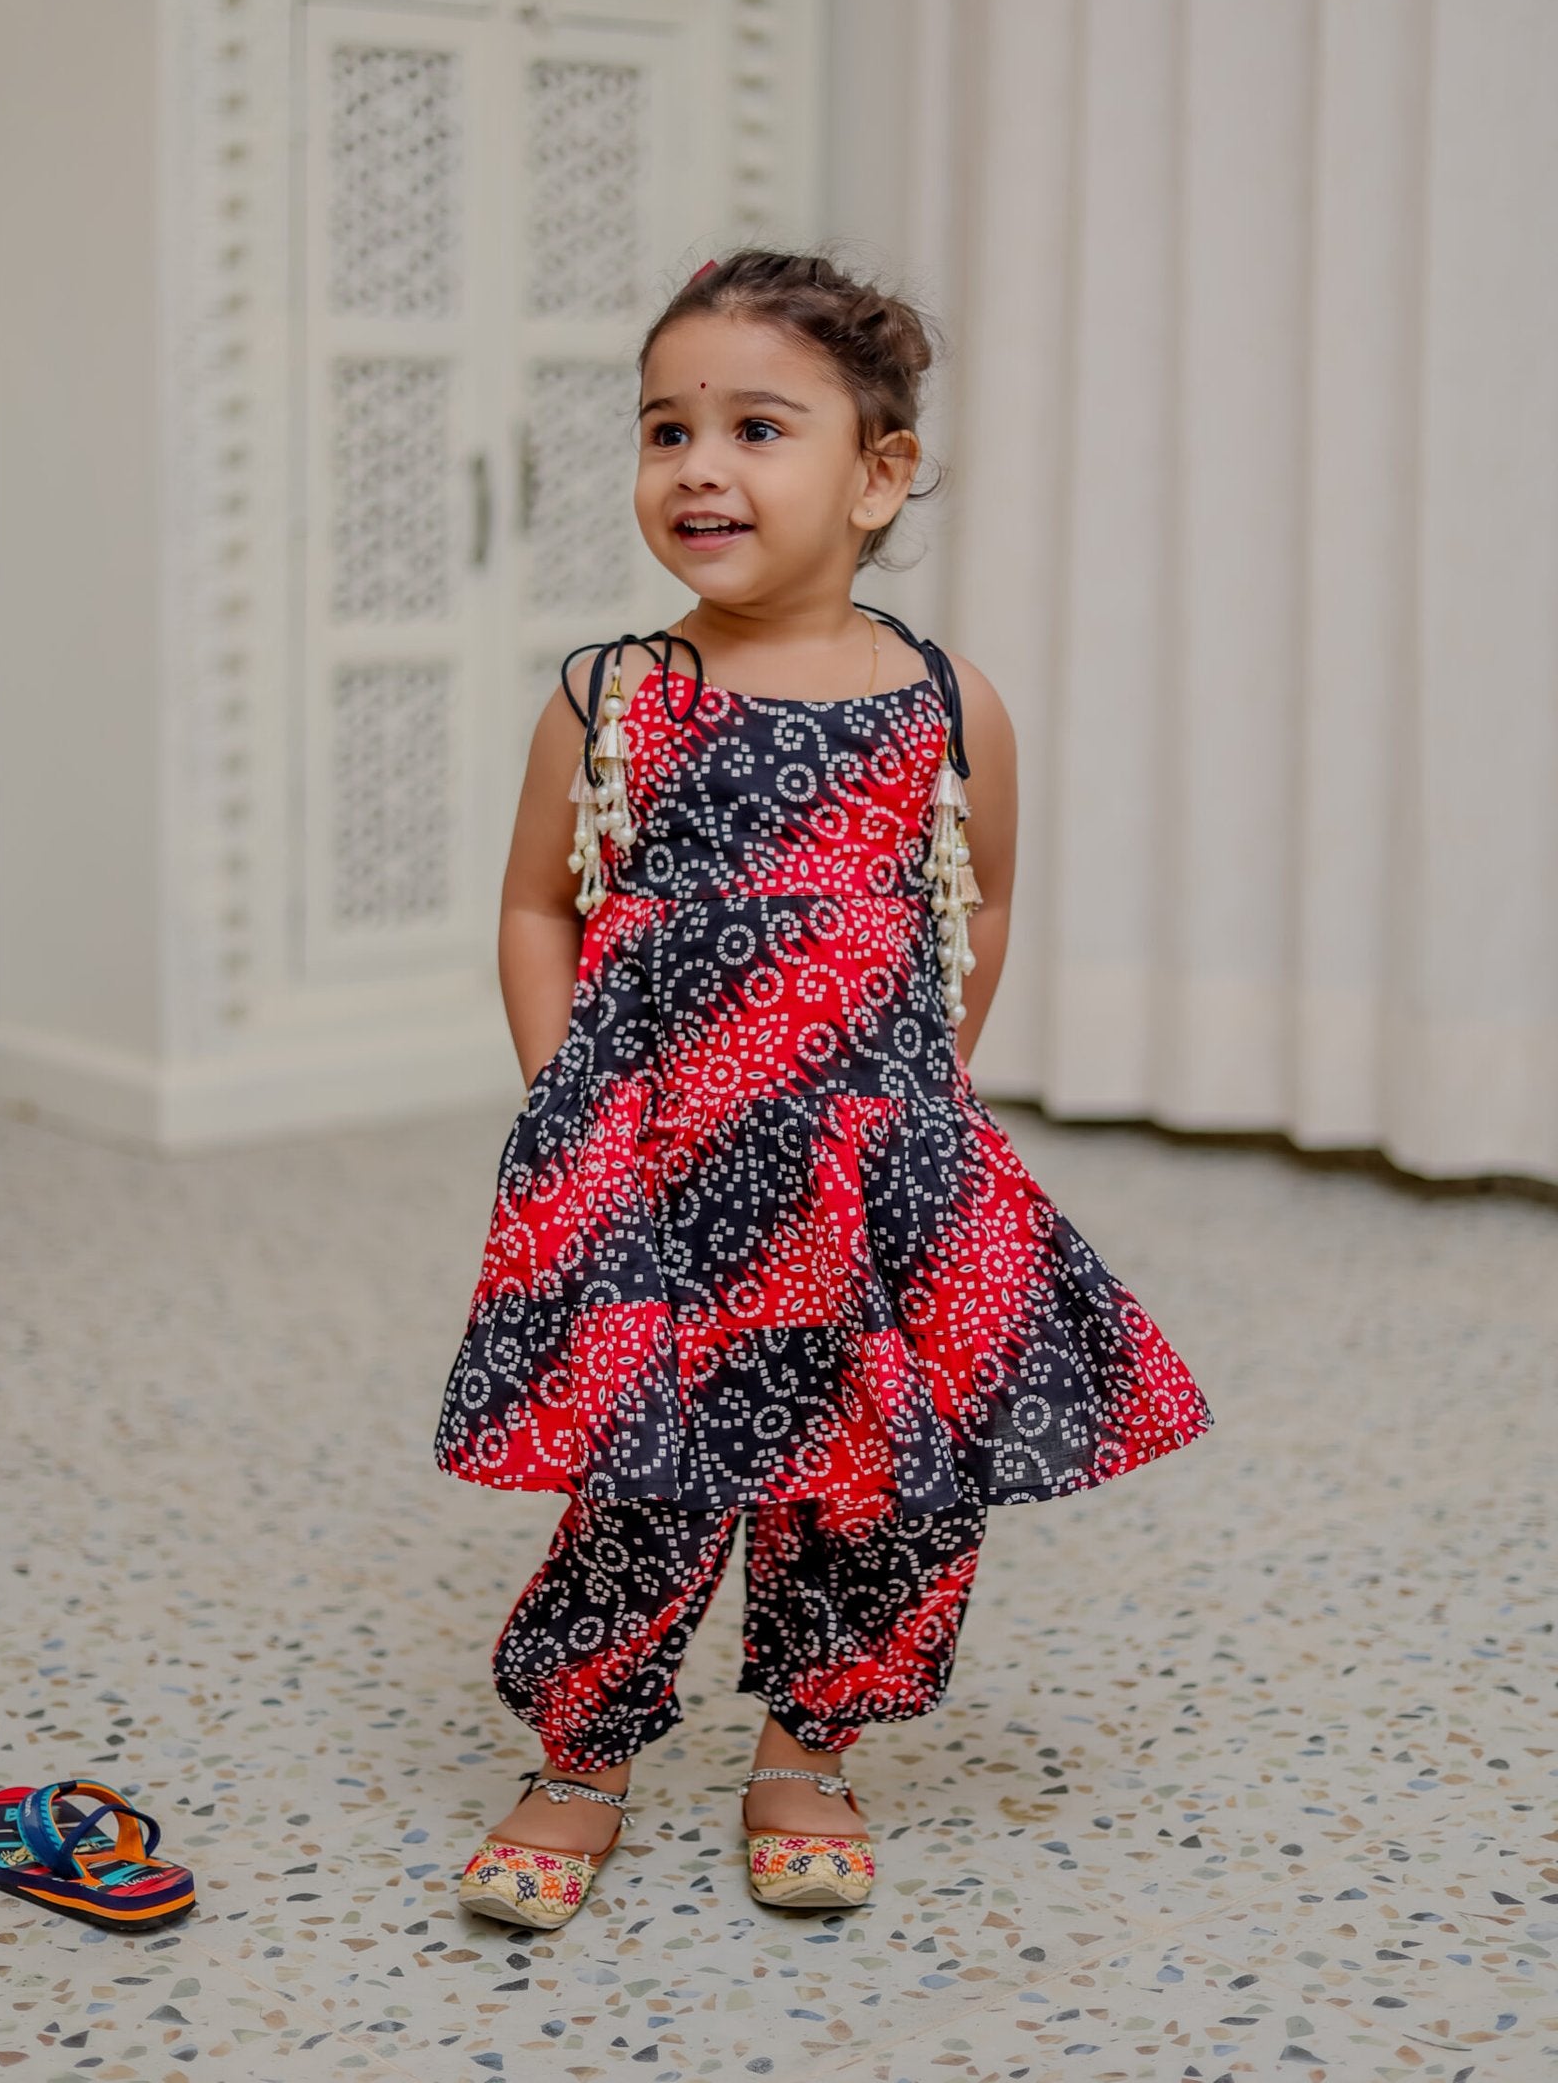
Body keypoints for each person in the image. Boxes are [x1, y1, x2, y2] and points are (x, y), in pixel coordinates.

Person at [434, 249, 1212, 1928]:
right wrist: (565, 1103)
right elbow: (536, 904)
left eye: (757, 428)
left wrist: (927, 1089)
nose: (699, 467)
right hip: (657, 1172)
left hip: (872, 1172)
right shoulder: (613, 698)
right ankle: (581, 1762)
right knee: (642, 1479)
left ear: (878, 474)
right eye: (666, 429)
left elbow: (974, 902)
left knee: (880, 1481)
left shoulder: (945, 703)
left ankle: (810, 1750)